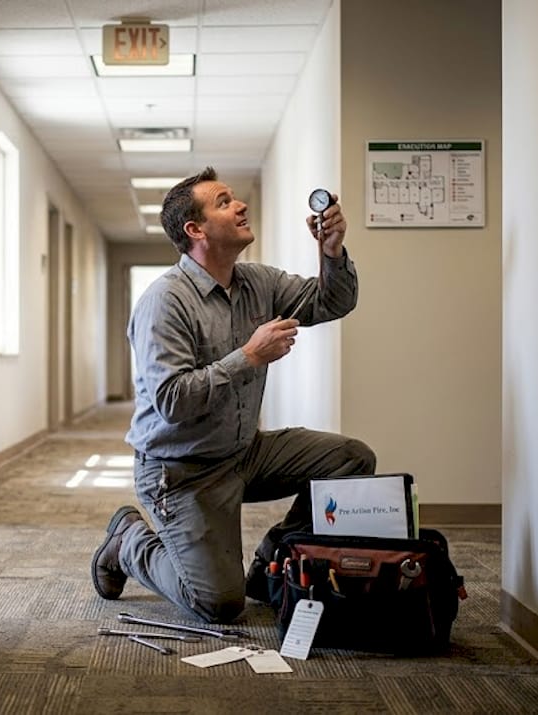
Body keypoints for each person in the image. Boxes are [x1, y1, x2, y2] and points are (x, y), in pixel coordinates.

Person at [90, 167, 377, 624]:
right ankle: (128, 542)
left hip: (244, 452)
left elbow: (330, 302)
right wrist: (249, 355)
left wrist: (331, 252)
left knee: (352, 460)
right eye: (223, 202)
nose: (240, 205)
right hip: (181, 471)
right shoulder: (164, 301)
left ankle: (269, 565)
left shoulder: (258, 283)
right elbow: (172, 400)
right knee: (217, 604)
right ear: (195, 229)